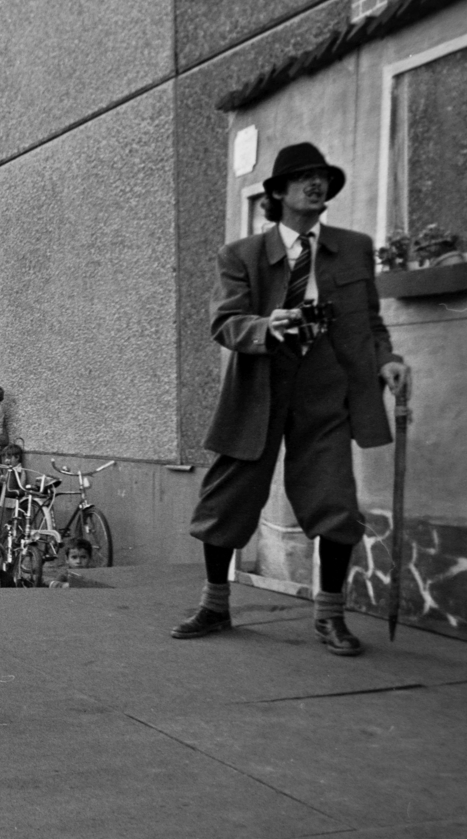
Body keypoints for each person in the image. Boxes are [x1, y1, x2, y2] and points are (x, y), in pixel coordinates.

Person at [175, 143, 409, 657]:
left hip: (327, 388)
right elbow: (224, 322)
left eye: (321, 177)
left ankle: (330, 617)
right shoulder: (242, 254)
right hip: (260, 385)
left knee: (335, 503)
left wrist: (385, 359)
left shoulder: (352, 247)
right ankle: (215, 604)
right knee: (227, 500)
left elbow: (369, 322)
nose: (316, 185)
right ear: (278, 193)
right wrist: (265, 324)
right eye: (303, 178)